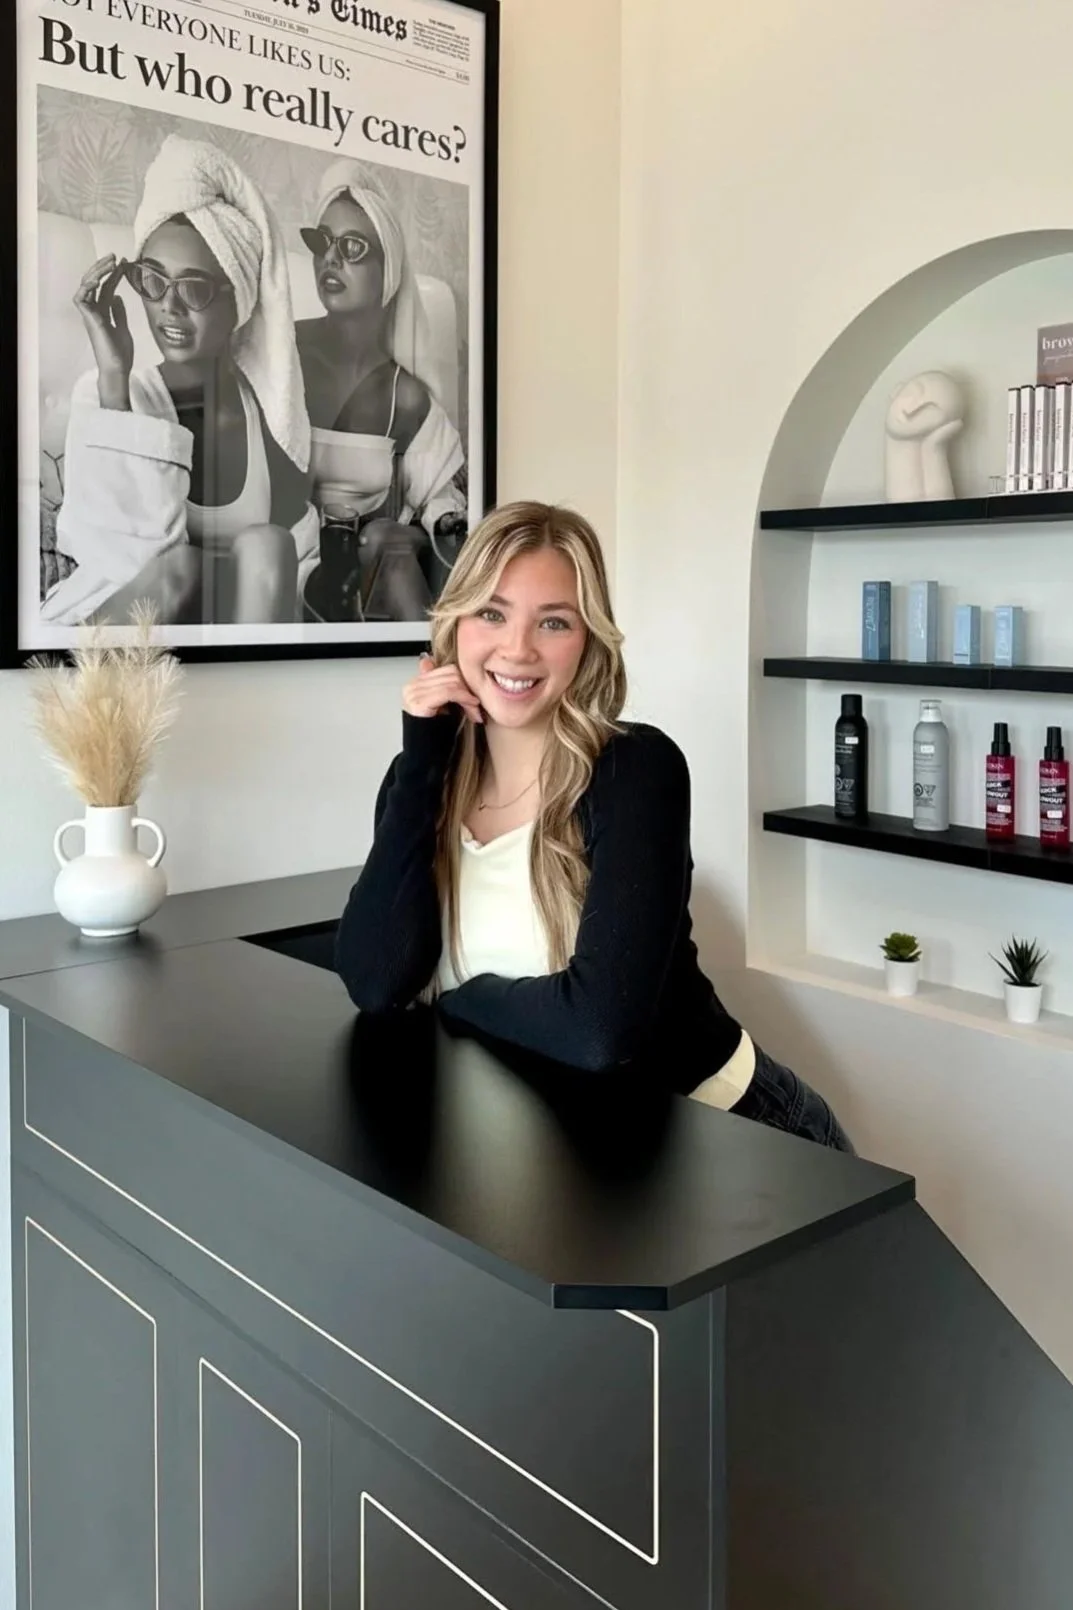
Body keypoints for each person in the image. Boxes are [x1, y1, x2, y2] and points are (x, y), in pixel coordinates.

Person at [335, 501, 853, 1151]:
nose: (517, 648)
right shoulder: (419, 780)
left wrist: (464, 999)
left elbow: (598, 1031)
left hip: (727, 1136)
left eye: (553, 622)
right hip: (564, 1143)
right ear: (454, 622)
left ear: (587, 641)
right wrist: (422, 759)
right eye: (492, 613)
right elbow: (375, 982)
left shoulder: (634, 770)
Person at [42, 134, 318, 628]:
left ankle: (248, 682)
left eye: (193, 288)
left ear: (239, 300)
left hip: (230, 641)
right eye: (152, 280)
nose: (168, 307)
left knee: (269, 544)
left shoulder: (272, 417)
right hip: (120, 628)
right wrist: (114, 380)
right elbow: (116, 556)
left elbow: (289, 575)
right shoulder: (104, 392)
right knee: (184, 569)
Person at [295, 161, 468, 624]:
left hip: (364, 576)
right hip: (285, 562)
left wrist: (436, 522)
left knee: (386, 542)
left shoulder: (405, 395)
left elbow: (442, 506)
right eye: (321, 242)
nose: (330, 260)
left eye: (352, 247)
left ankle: (435, 663)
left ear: (386, 269)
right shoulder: (282, 356)